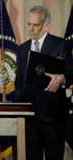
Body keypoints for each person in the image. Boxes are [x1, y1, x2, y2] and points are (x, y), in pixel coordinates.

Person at [16, 5, 73, 160]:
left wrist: (62, 78)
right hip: (28, 119)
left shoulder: (61, 45)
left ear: (46, 25)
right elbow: (18, 84)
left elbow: (70, 73)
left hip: (53, 119)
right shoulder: (21, 49)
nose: (31, 29)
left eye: (36, 25)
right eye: (29, 24)